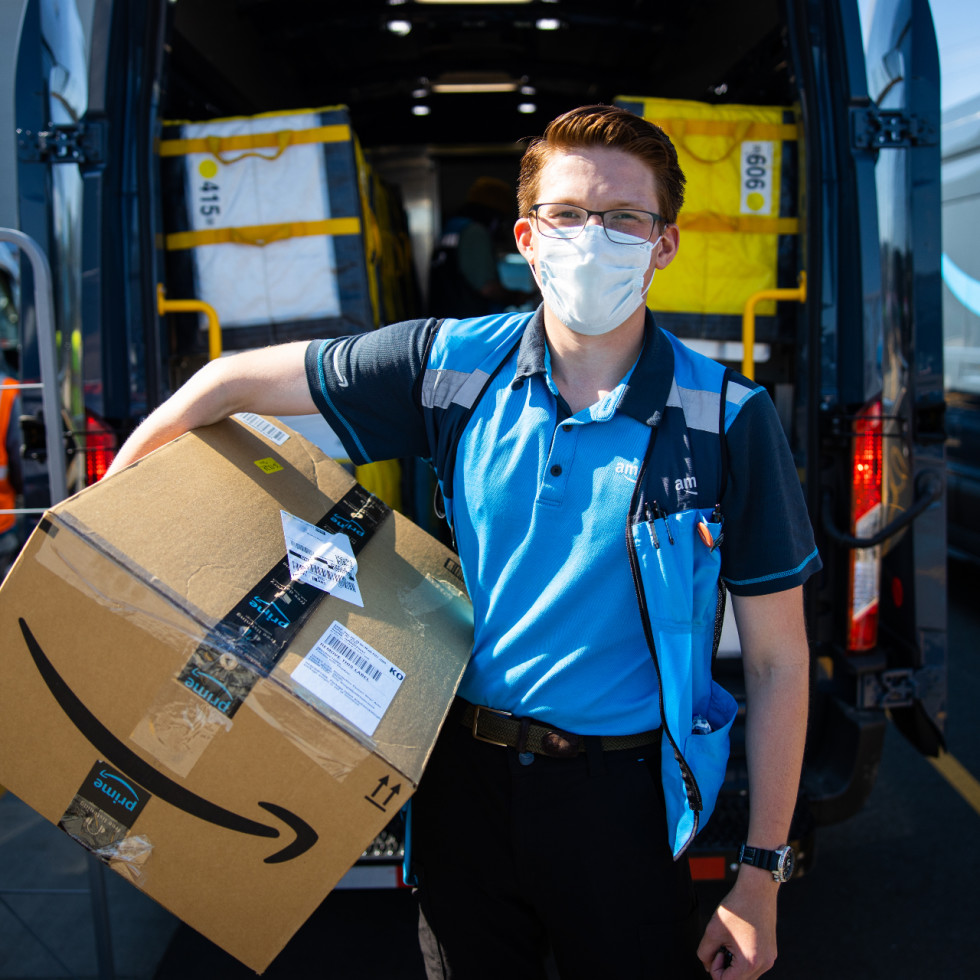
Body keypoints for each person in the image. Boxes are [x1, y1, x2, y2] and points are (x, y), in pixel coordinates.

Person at [106, 104, 820, 980]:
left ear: (663, 244)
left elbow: (782, 663)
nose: (593, 239)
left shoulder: (727, 420)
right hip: (460, 789)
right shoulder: (451, 367)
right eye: (567, 215)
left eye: (624, 218)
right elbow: (223, 383)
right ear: (527, 235)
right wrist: (105, 516)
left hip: (622, 806)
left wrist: (760, 876)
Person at [428, 176, 534, 317]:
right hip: (470, 321)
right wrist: (515, 297)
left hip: (449, 320)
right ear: (494, 214)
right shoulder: (474, 233)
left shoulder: (452, 226)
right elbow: (488, 289)